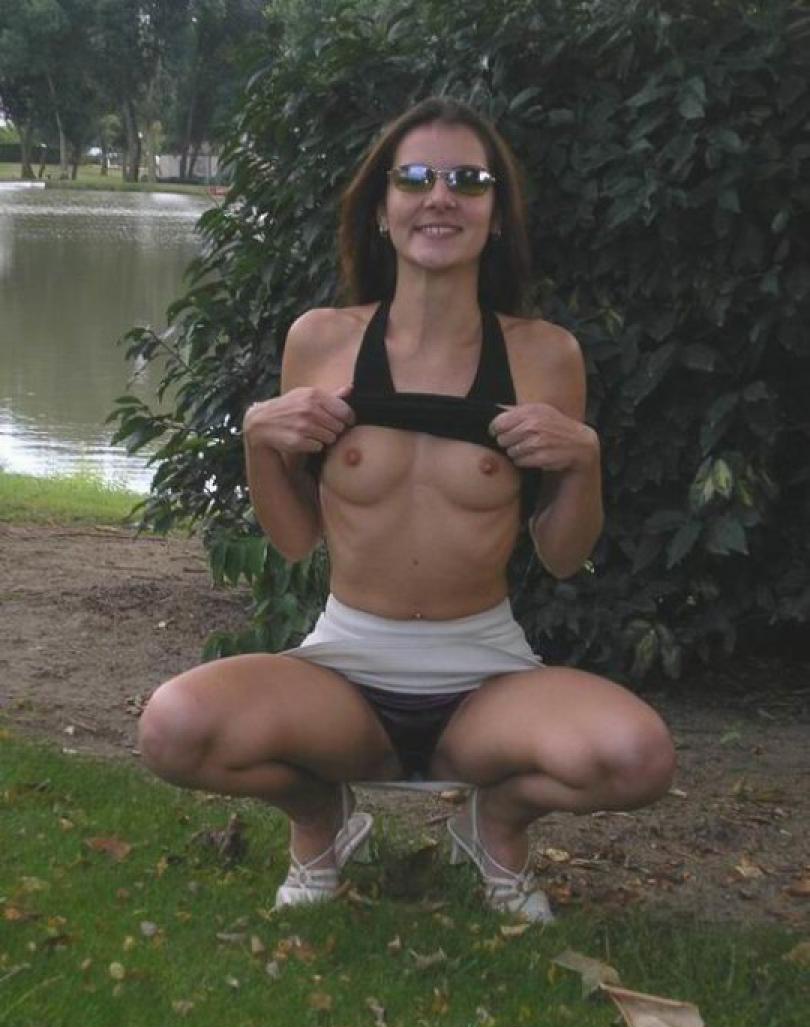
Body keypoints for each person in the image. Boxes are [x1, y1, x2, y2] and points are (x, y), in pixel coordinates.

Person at [139, 98, 676, 922]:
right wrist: (259, 443)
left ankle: (494, 825)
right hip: (345, 670)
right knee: (173, 730)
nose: (441, 197)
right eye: (416, 178)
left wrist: (585, 460)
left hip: (485, 676)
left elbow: (563, 554)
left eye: (470, 180)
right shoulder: (320, 341)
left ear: (498, 214)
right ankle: (320, 820)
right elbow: (295, 538)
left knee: (639, 758)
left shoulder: (545, 354)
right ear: (381, 210)